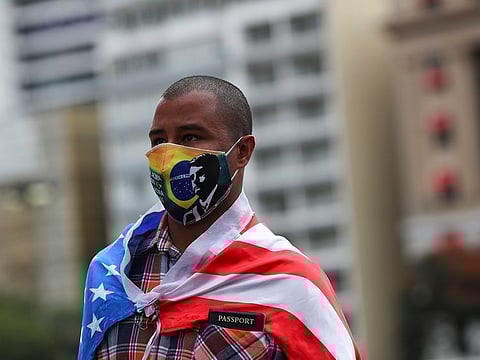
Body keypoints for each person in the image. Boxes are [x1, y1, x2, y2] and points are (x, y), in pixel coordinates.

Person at [78, 75, 361, 360]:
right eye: (159, 140)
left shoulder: (290, 283)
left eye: (190, 137)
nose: (167, 154)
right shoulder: (114, 271)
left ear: (242, 152)